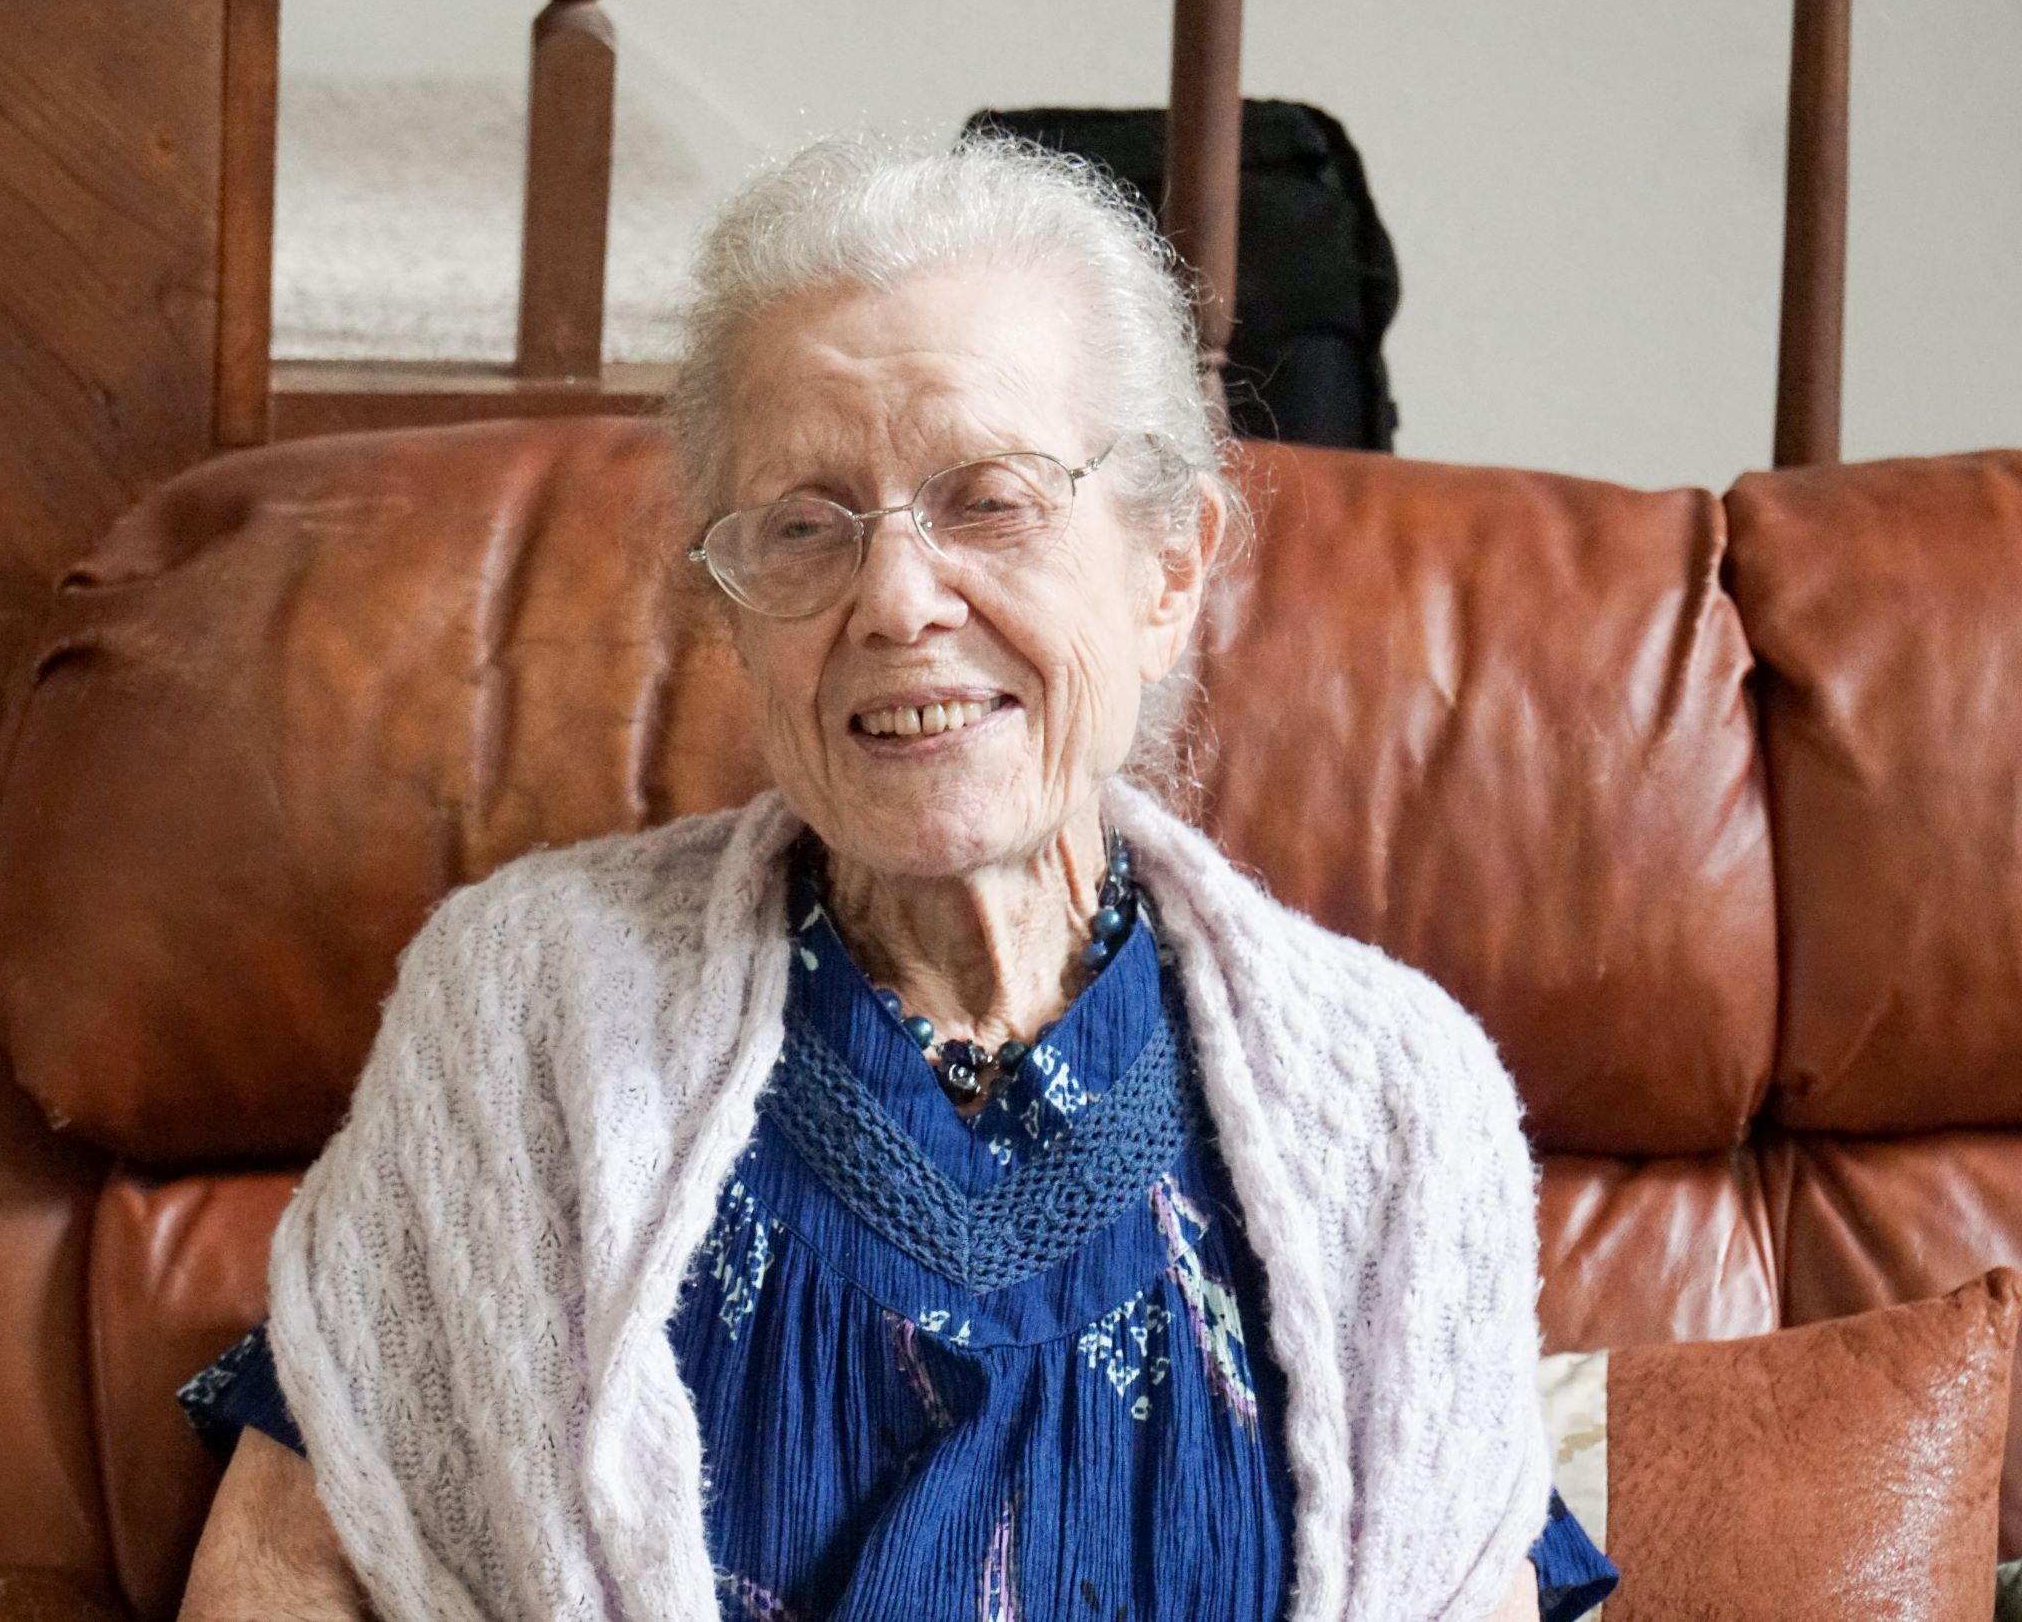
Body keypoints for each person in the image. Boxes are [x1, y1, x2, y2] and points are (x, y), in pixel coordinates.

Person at [175, 136, 1617, 1622]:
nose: (897, 598)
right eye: (806, 526)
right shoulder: (524, 1015)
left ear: (1168, 571)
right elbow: (285, 1570)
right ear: (733, 619)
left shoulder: (1396, 1100)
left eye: (988, 500)